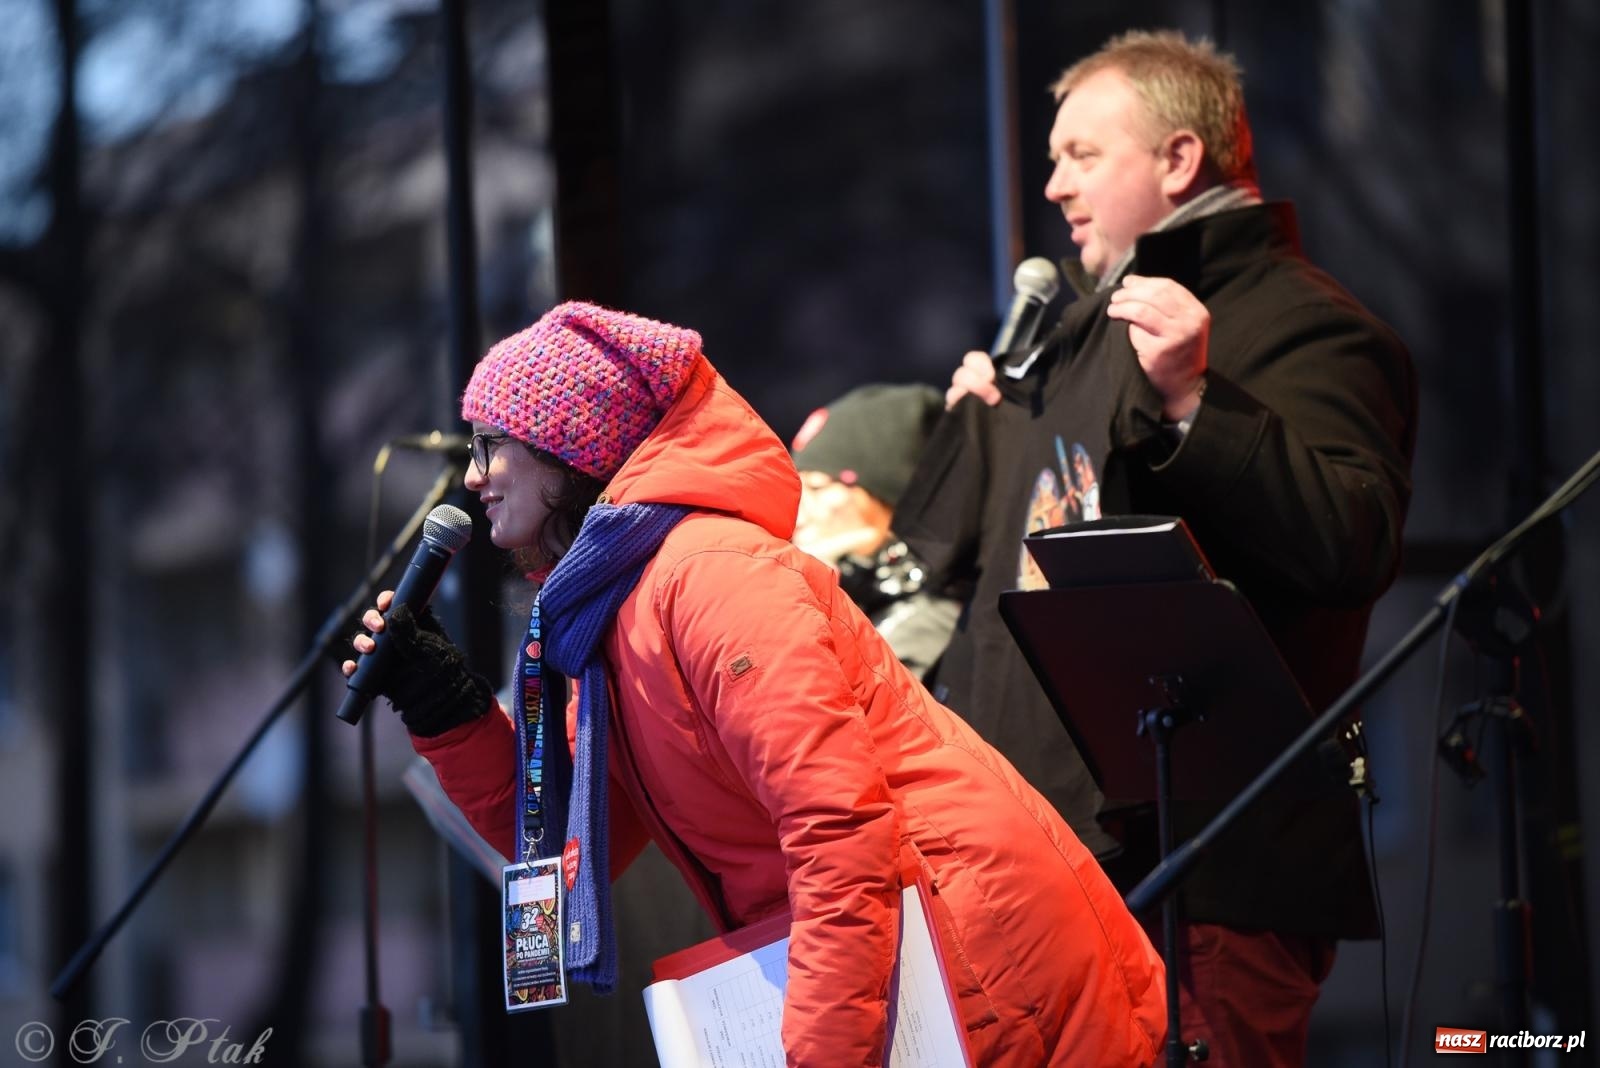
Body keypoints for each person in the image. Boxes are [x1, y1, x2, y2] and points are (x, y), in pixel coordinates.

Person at [343, 301, 1165, 1065]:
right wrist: (444, 708)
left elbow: (838, 831)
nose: (474, 475)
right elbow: (570, 838)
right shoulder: (618, 608)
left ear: (569, 448)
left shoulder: (711, 576)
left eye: (490, 444)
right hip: (911, 953)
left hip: (978, 961)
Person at [892, 30, 1418, 1068]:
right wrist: (981, 435)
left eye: (1083, 156)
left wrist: (1192, 403)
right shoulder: (1073, 338)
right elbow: (973, 581)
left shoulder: (1306, 325)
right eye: (1052, 158)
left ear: (1179, 160)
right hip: (1046, 870)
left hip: (1204, 881)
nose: (1054, 185)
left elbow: (1349, 542)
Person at [789, 382, 960, 678]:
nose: (798, 513)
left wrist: (806, 603)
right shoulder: (863, 602)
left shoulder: (932, 621)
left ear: (888, 500)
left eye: (817, 487)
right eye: (796, 488)